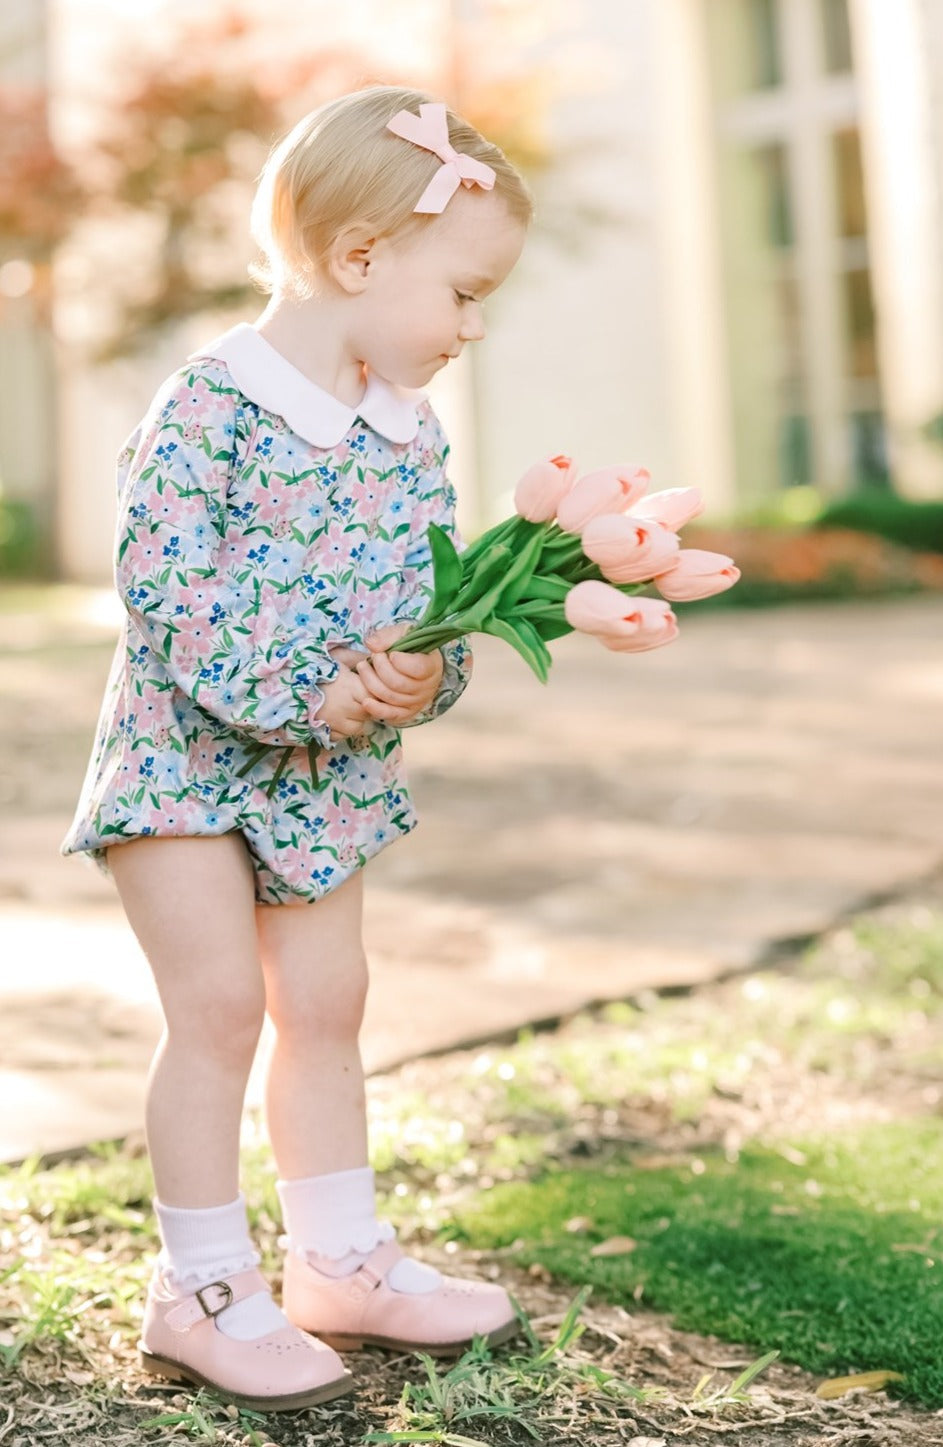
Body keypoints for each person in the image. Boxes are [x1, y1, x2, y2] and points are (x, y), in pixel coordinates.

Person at [60, 84, 532, 1412]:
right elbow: (164, 588)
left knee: (327, 1010)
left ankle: (339, 1260)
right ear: (362, 258)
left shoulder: (409, 433)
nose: (473, 327)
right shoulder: (209, 402)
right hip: (186, 766)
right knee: (215, 1015)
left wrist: (417, 678)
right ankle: (200, 1288)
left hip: (326, 778)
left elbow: (429, 611)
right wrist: (300, 697)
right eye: (463, 293)